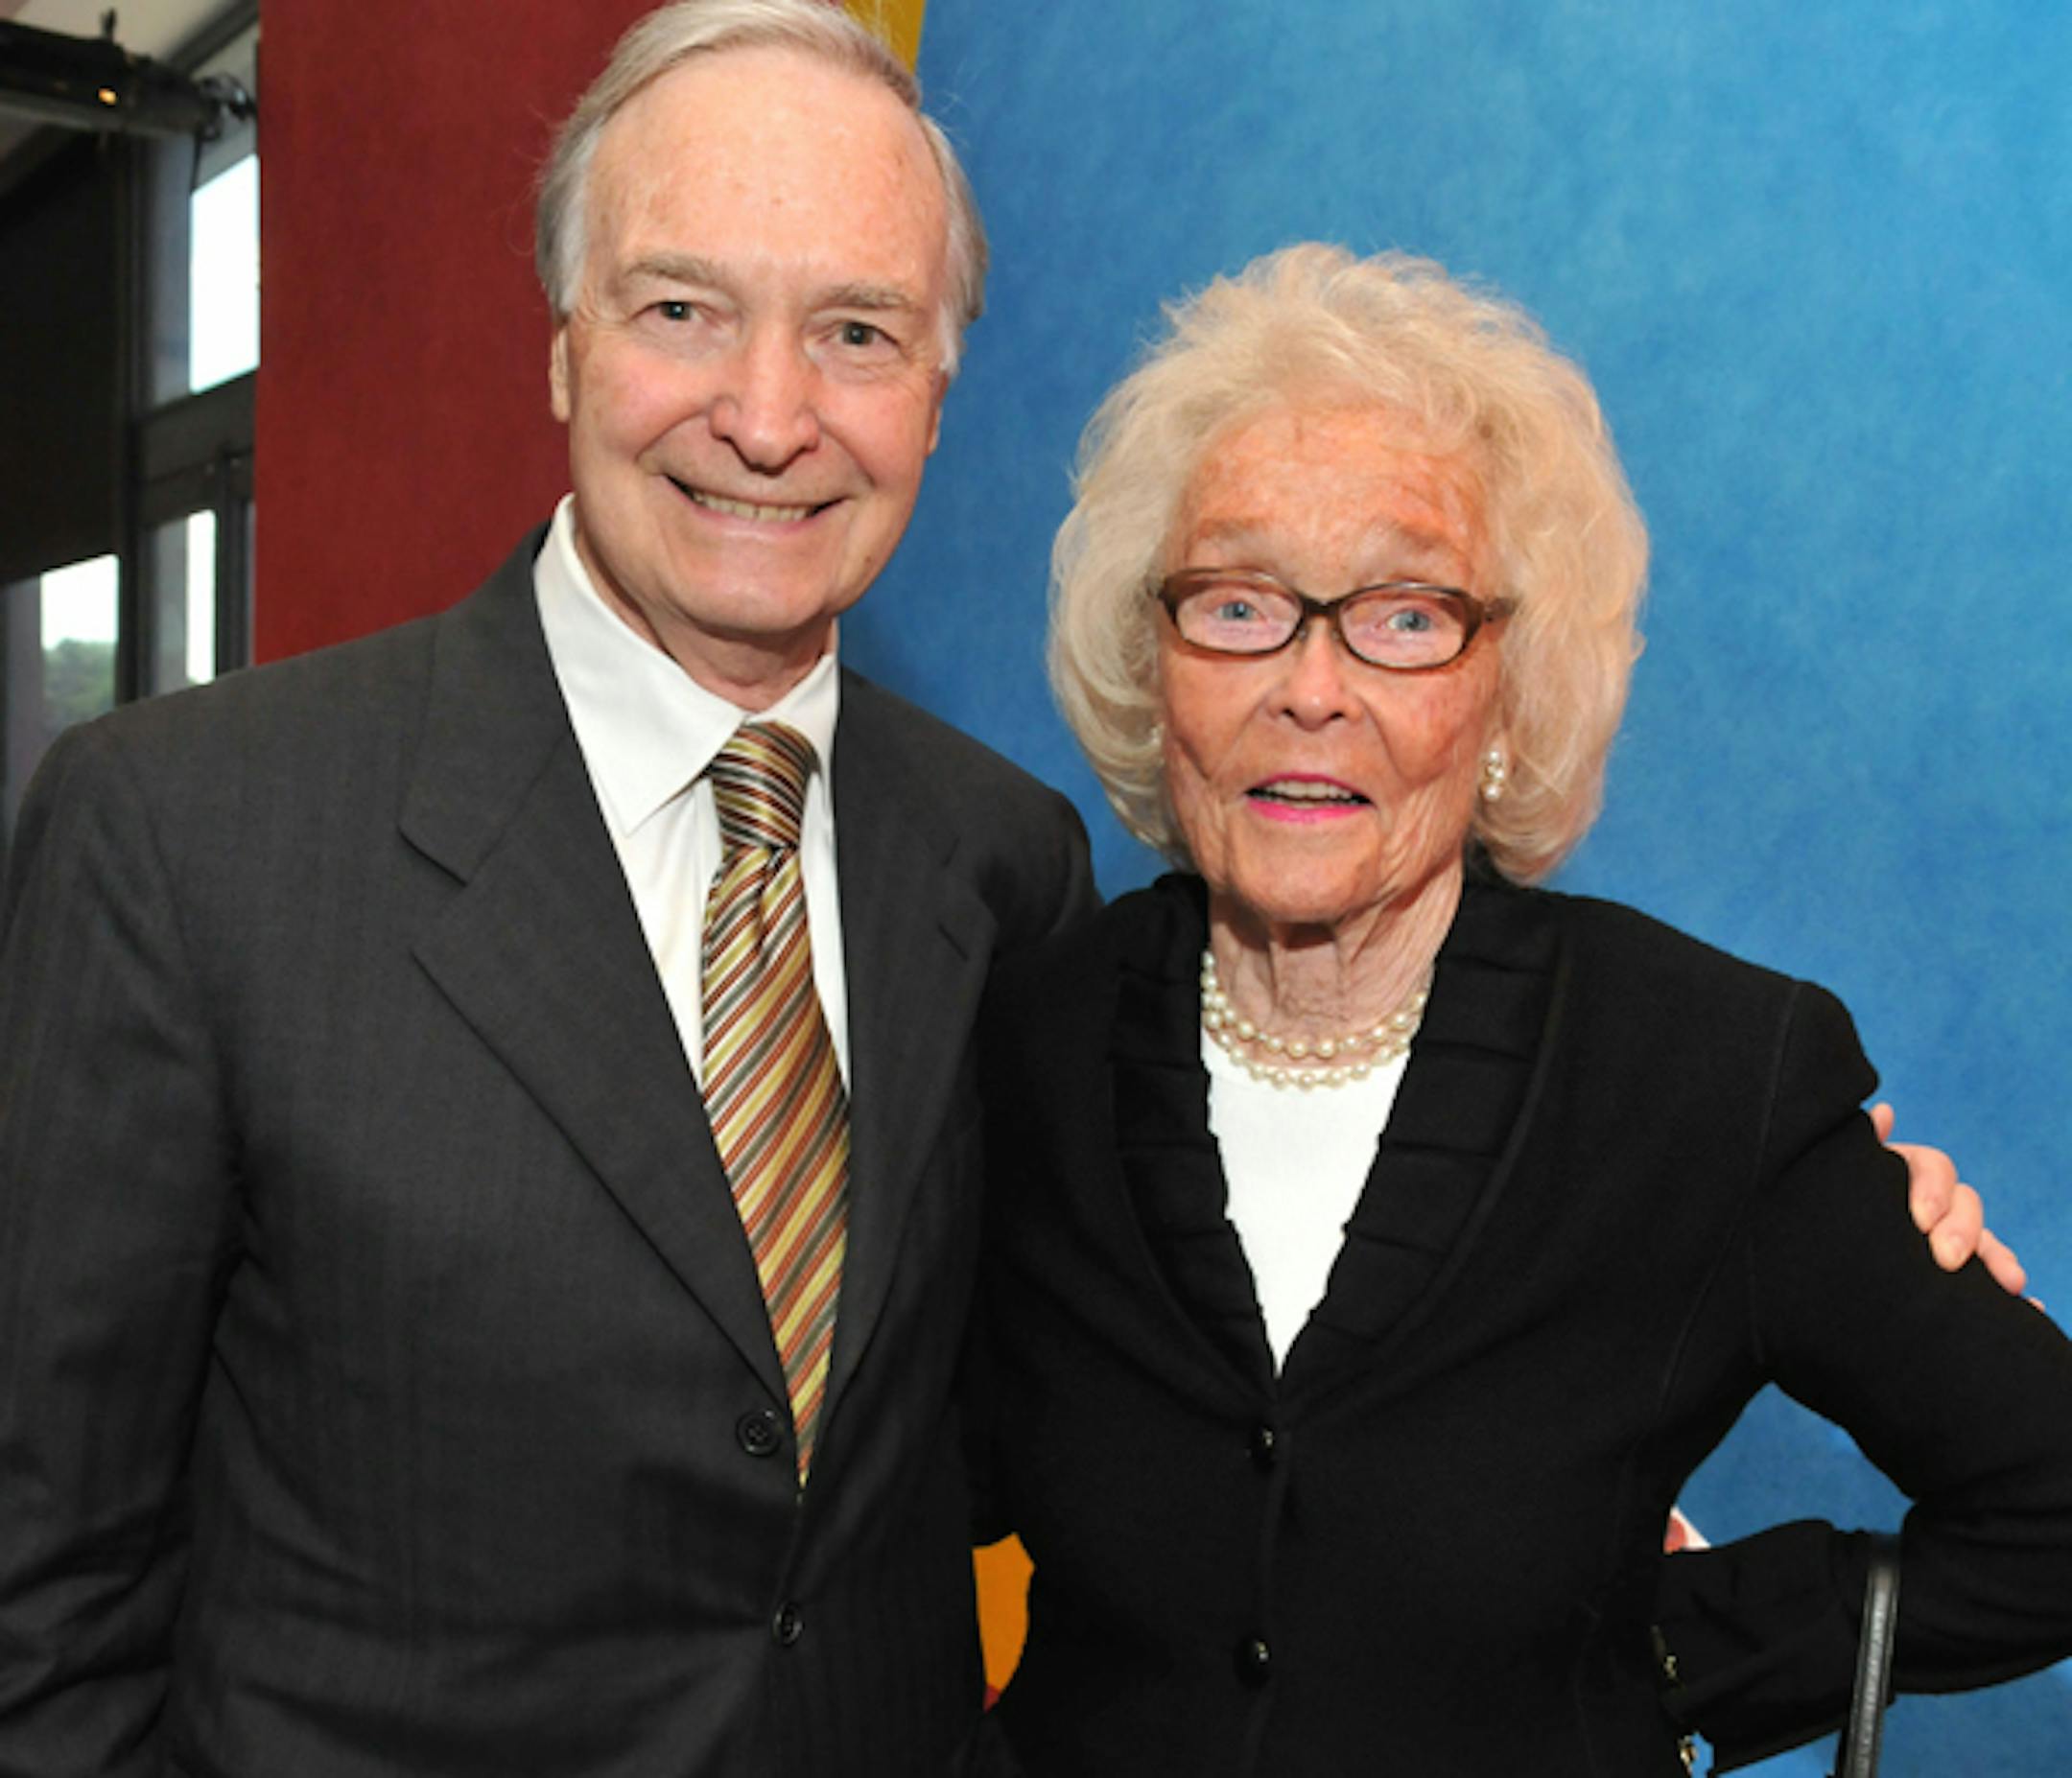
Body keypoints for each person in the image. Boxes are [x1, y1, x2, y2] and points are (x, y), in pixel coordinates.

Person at [0, 4, 1095, 1773]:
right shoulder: (182, 837)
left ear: (938, 392)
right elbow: (43, 1588)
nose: (768, 416)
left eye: (857, 332)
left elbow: (998, 1437)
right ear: (568, 348)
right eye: (682, 310)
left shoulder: (1007, 860)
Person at [970, 244, 2072, 1775]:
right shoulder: (1022, 1040)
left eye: (1406, 616)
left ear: (1509, 689)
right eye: (1237, 602)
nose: (1310, 687)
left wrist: (1668, 1650)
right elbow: (870, 1503)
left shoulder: (1707, 1076)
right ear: (1158, 669)